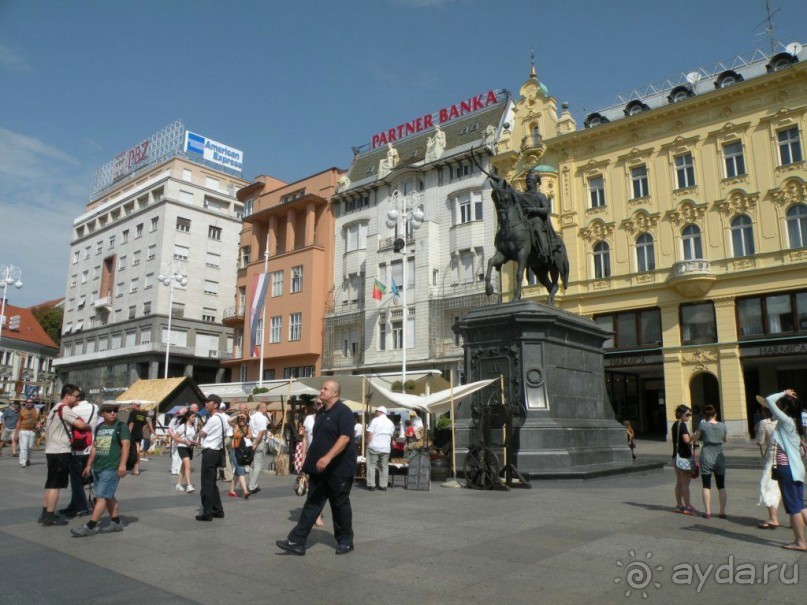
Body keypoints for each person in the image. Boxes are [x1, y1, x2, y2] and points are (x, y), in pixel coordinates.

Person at [276, 380, 356, 555]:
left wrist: (328, 457)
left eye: (325, 388)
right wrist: (306, 467)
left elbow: (344, 438)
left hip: (339, 469)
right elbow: (316, 442)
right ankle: (297, 541)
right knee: (312, 504)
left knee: (339, 505)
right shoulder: (320, 414)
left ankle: (345, 541)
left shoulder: (344, 412)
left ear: (335, 393)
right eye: (322, 388)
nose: (322, 390)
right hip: (319, 470)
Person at [70, 402, 130, 537]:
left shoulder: (121, 427)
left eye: (115, 410)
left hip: (111, 467)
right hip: (98, 466)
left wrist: (122, 465)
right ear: (102, 414)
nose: (113, 413)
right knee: (108, 496)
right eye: (109, 411)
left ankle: (90, 526)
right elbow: (95, 447)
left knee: (101, 496)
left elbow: (126, 445)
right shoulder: (99, 428)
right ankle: (116, 522)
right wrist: (89, 465)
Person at [758, 389, 807, 550]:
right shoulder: (796, 423)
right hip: (796, 468)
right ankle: (800, 540)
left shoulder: (786, 421)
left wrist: (784, 392)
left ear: (785, 408)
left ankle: (800, 542)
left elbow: (769, 400)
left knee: (794, 508)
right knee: (800, 505)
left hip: (787, 469)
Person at [39, 384, 91, 526]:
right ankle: (50, 516)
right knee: (56, 484)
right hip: (61, 451)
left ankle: (45, 512)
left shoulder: (54, 409)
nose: (77, 400)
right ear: (67, 396)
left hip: (51, 450)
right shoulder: (65, 409)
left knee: (51, 483)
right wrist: (89, 426)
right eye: (76, 396)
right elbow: (80, 425)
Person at [60, 392, 99, 519]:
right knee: (82, 479)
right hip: (90, 447)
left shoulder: (72, 410)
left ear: (77, 398)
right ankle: (74, 505)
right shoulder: (95, 407)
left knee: (76, 480)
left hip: (76, 449)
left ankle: (82, 507)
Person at [195, 394, 231, 521]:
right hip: (218, 452)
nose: (206, 404)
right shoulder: (224, 418)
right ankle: (218, 509)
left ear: (215, 404)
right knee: (213, 483)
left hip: (210, 452)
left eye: (208, 402)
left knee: (207, 484)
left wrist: (200, 430)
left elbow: (202, 433)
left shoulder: (213, 419)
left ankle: (207, 512)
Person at [692, 404, 727, 519]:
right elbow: (724, 439)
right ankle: (722, 512)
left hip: (706, 455)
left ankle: (708, 512)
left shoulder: (703, 425)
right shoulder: (723, 426)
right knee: (721, 485)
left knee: (706, 485)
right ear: (715, 414)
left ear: (706, 416)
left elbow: (695, 438)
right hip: (719, 456)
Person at [518, 170, 560, 265]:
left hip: (536, 219)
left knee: (537, 230)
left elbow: (546, 210)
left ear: (535, 183)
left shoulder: (540, 196)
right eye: (527, 181)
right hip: (525, 219)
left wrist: (533, 209)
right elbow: (511, 191)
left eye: (530, 181)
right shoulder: (522, 196)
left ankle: (544, 250)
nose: (528, 183)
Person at [756, 407, 781, 529]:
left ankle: (773, 518)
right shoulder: (786, 421)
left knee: (769, 487)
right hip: (788, 459)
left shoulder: (764, 423)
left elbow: (760, 441)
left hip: (773, 459)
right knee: (786, 489)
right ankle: (794, 520)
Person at [672, 404, 698, 516]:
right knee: (685, 484)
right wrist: (695, 436)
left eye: (690, 414)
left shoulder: (674, 425)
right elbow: (686, 440)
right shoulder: (682, 425)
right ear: (680, 414)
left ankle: (679, 505)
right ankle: (687, 507)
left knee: (679, 482)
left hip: (676, 457)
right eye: (687, 414)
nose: (689, 416)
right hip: (683, 458)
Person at [302, 400, 324, 527]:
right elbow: (304, 437)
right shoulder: (309, 418)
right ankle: (314, 513)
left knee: (320, 486)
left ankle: (317, 514)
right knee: (311, 486)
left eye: (321, 403)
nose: (319, 404)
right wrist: (304, 454)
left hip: (324, 455)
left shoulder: (327, 417)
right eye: (317, 403)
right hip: (311, 455)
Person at [365, 406, 395, 491]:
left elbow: (370, 433)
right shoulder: (390, 423)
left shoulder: (375, 421)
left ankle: (371, 484)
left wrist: (368, 444)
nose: (375, 413)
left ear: (380, 412)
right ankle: (383, 485)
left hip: (374, 446)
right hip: (385, 448)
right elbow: (392, 436)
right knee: (384, 466)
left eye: (376, 411)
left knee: (371, 465)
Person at [247, 402, 270, 495]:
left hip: (252, 439)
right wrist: (256, 443)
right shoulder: (263, 418)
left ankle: (253, 484)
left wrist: (252, 439)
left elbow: (249, 428)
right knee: (258, 464)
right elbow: (261, 432)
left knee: (252, 464)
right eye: (265, 407)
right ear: (261, 408)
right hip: (258, 440)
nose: (266, 409)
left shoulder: (252, 417)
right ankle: (252, 486)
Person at [228, 413, 252, 499]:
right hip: (235, 451)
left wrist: (246, 436)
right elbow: (229, 421)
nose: (242, 420)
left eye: (244, 419)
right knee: (241, 470)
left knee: (237, 472)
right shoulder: (236, 426)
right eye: (240, 419)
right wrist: (238, 415)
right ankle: (245, 491)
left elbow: (250, 435)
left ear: (246, 420)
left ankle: (231, 490)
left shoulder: (248, 428)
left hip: (242, 452)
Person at [126, 402, 154, 476]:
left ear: (135, 405)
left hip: (132, 434)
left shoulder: (133, 412)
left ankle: (131, 467)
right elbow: (146, 424)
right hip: (139, 434)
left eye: (132, 404)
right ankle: (136, 468)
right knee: (137, 449)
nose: (131, 405)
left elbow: (131, 423)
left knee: (130, 450)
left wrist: (128, 434)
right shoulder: (143, 414)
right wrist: (141, 431)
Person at [174, 409, 197, 493]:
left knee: (183, 467)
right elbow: (175, 437)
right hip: (182, 447)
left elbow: (192, 437)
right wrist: (183, 440)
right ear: (188, 417)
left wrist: (194, 442)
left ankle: (178, 484)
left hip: (189, 448)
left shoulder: (193, 427)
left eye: (195, 417)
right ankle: (189, 485)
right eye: (192, 417)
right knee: (188, 466)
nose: (194, 418)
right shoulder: (182, 426)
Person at [16, 399, 39, 467]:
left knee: (30, 447)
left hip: (32, 431)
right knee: (24, 447)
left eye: (31, 402)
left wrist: (38, 425)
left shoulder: (37, 411)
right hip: (23, 430)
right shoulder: (22, 411)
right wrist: (16, 433)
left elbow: (38, 420)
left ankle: (27, 459)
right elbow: (19, 422)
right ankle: (23, 462)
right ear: (25, 403)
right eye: (28, 402)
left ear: (33, 403)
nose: (29, 403)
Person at [167, 406, 187, 476]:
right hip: (181, 439)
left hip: (176, 438)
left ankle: (174, 469)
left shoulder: (174, 418)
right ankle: (178, 470)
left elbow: (169, 429)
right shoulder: (184, 420)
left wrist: (173, 437)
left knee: (175, 454)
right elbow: (170, 428)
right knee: (179, 455)